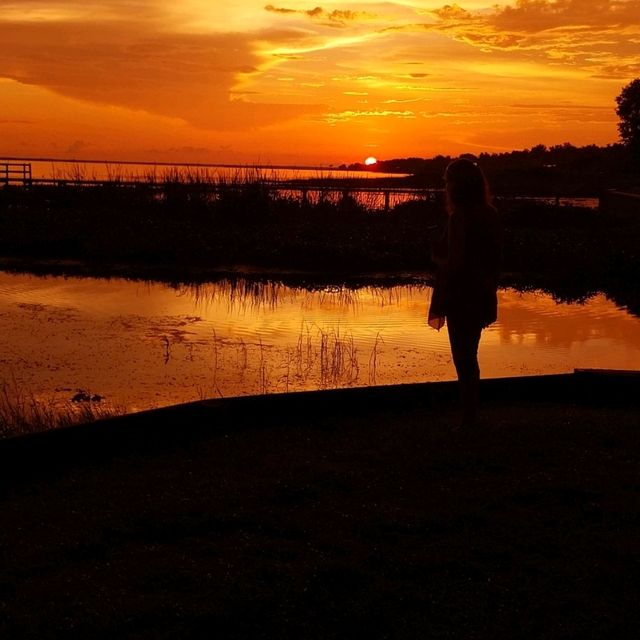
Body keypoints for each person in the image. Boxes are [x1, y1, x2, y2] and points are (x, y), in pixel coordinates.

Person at [428, 157, 502, 428]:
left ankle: (469, 416)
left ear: (457, 186)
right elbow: (495, 258)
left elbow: (456, 262)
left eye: (448, 182)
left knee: (463, 356)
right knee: (470, 353)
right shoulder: (490, 214)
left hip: (461, 294)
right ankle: (471, 413)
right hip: (483, 291)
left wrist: (437, 258)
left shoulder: (460, 217)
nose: (445, 187)